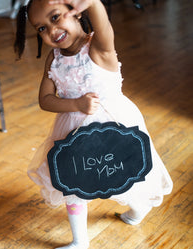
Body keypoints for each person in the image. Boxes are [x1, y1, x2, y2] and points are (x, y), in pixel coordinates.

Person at [14, 0, 173, 248]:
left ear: (76, 12)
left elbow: (104, 24)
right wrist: (75, 105)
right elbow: (45, 100)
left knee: (123, 174)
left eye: (55, 18)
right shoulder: (53, 59)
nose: (51, 30)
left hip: (113, 126)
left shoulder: (98, 47)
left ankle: (138, 208)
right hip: (72, 131)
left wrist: (92, 2)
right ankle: (80, 241)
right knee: (73, 182)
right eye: (41, 28)